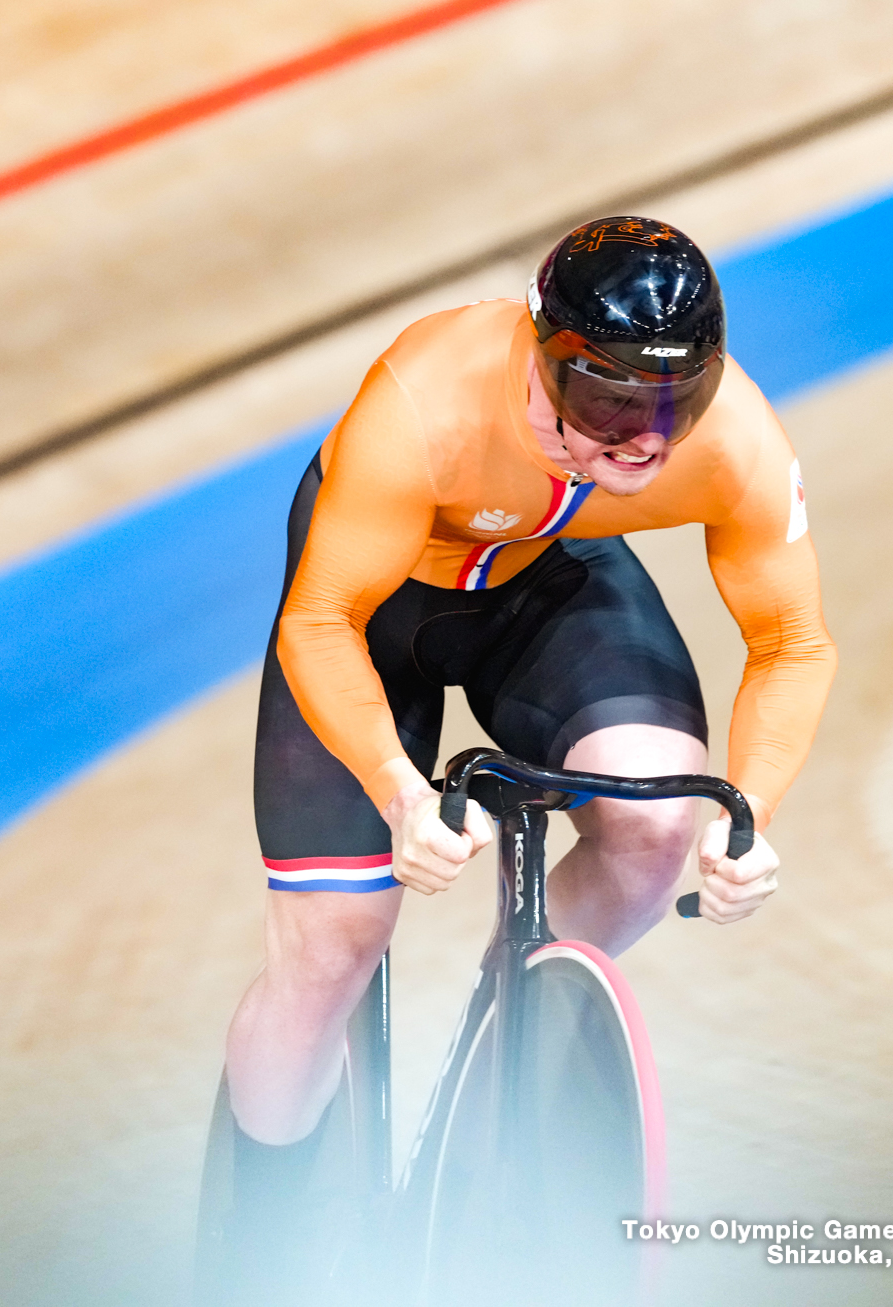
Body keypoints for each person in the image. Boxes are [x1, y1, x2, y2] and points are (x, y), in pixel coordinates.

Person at [211, 216, 837, 1296]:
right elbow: (319, 621)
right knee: (334, 941)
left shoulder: (734, 442)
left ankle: (503, 1059)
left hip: (549, 578)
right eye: (608, 400)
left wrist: (754, 815)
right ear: (544, 360)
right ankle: (254, 1245)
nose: (645, 439)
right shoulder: (425, 400)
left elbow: (791, 640)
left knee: (653, 820)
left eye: (675, 399)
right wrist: (399, 791)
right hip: (376, 607)